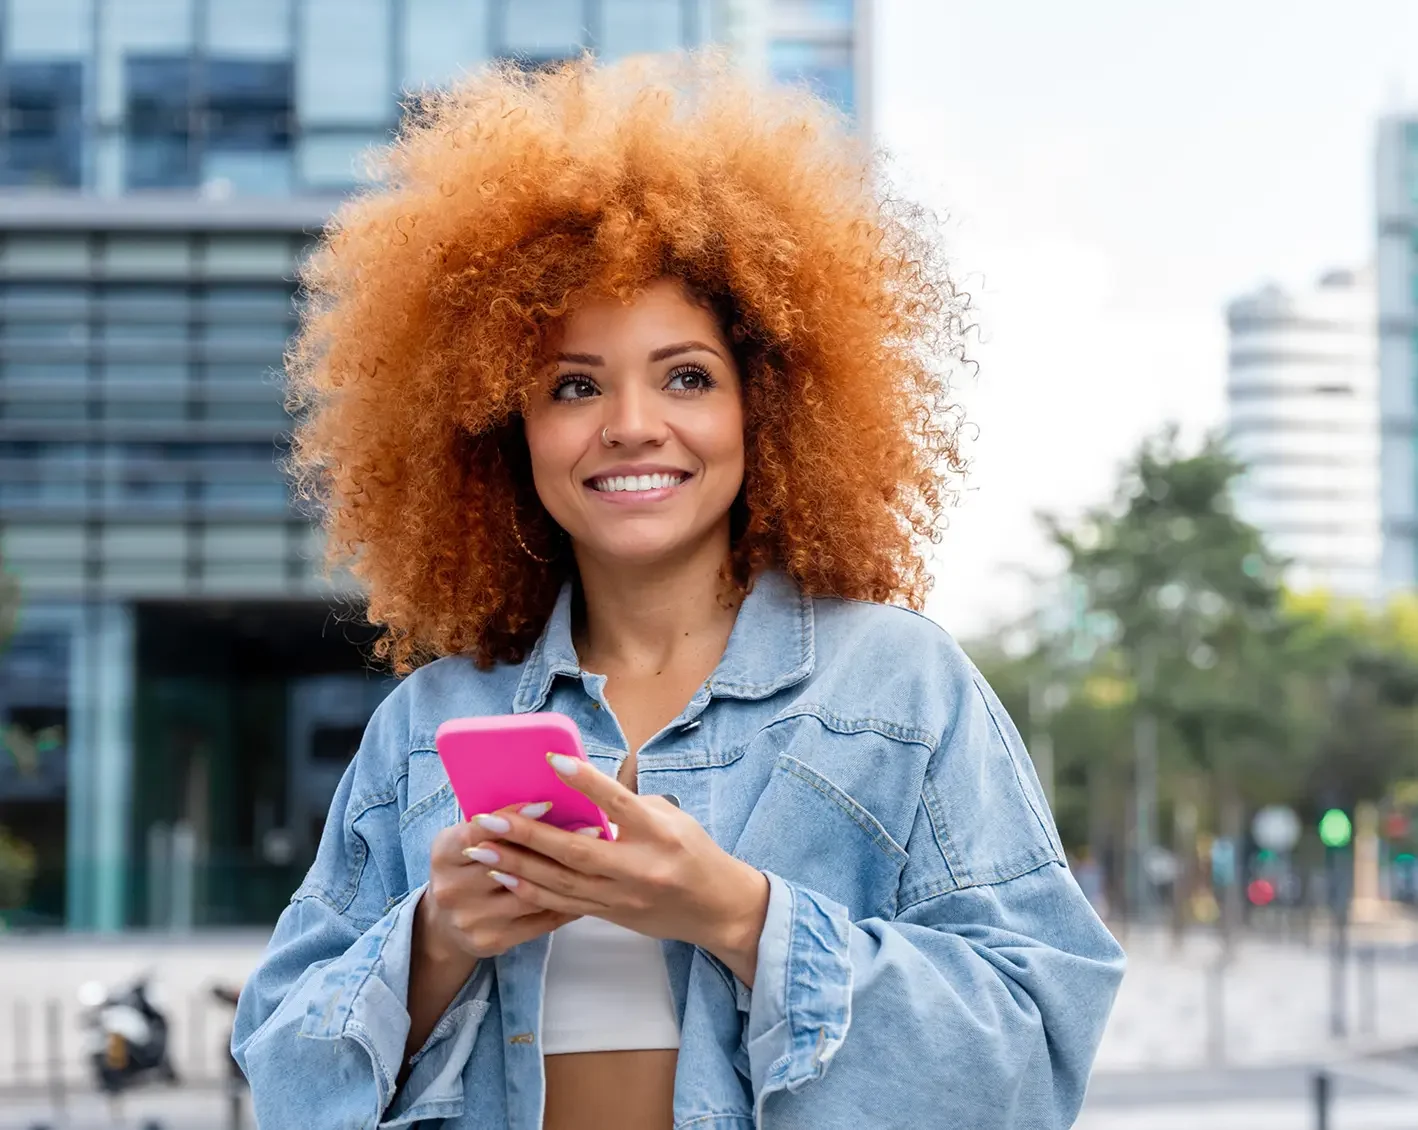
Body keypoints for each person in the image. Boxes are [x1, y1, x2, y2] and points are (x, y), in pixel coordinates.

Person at [232, 53, 1125, 1130]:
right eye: (574, 385)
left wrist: (738, 915)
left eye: (686, 376)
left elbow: (1035, 1045)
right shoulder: (427, 725)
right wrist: (433, 942)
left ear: (767, 403)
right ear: (505, 427)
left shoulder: (898, 687)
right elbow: (279, 1071)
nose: (630, 425)